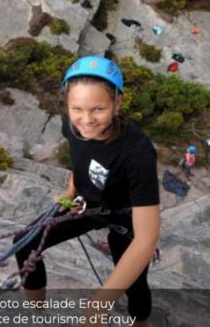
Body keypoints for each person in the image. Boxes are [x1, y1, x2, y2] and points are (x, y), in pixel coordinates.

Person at [14, 55, 160, 327]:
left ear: (118, 102)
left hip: (124, 219)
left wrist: (97, 308)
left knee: (135, 283)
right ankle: (36, 314)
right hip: (86, 204)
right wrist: (70, 189)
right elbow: (80, 158)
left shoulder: (137, 152)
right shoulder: (73, 126)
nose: (87, 119)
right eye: (77, 108)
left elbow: (146, 239)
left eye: (98, 109)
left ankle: (141, 324)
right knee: (25, 243)